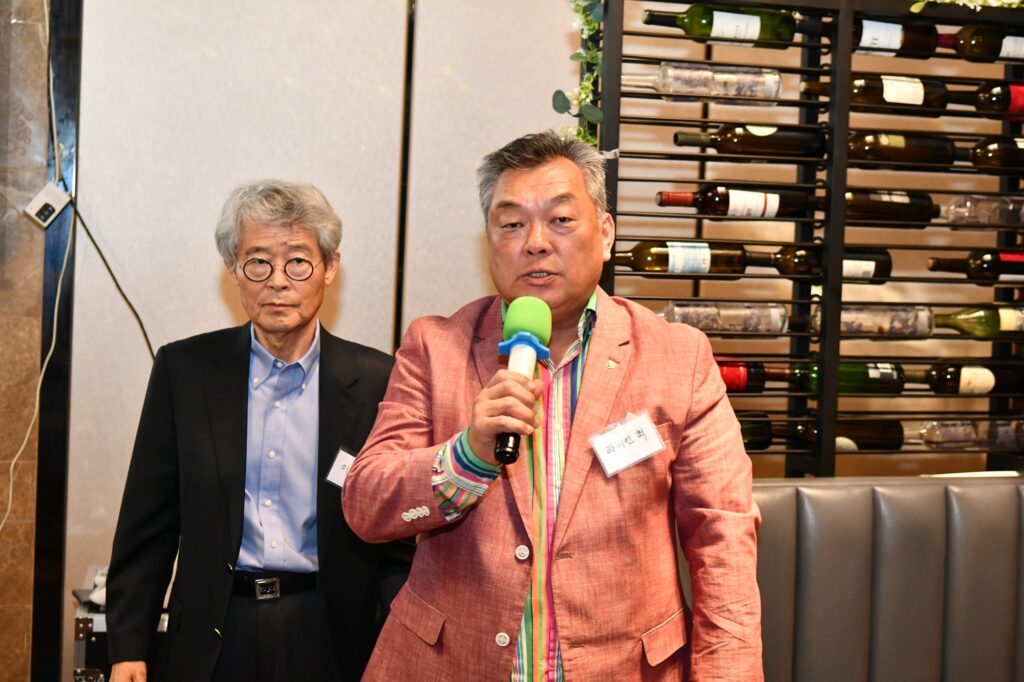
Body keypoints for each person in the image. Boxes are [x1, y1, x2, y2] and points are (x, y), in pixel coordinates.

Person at [342, 131, 762, 680]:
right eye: (511, 223)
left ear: (605, 234)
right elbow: (366, 506)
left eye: (561, 220)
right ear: (489, 240)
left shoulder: (678, 357)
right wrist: (467, 456)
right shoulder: (434, 346)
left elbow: (722, 539)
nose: (535, 242)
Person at [107, 180, 408, 682]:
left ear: (330, 267)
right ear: (233, 270)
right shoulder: (185, 372)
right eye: (258, 262)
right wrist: (128, 649)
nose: (278, 282)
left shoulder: (379, 380)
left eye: (298, 262)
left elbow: (395, 543)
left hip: (331, 635)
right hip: (214, 633)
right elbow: (148, 526)